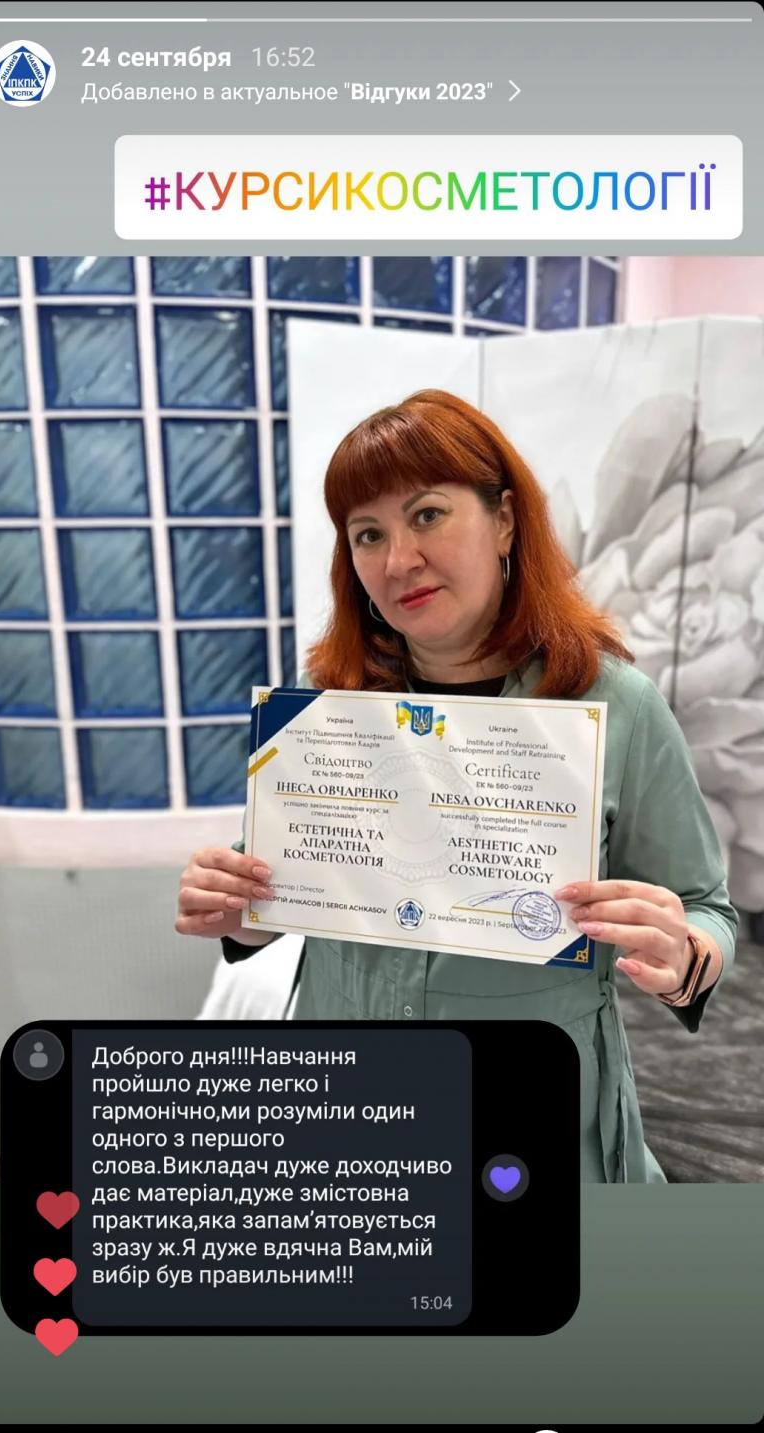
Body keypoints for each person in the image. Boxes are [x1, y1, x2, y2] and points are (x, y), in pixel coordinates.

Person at [176, 388, 738, 1184]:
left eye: (428, 515)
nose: (398, 560)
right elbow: (280, 885)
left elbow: (707, 907)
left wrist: (686, 952)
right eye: (368, 533)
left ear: (504, 521)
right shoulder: (324, 710)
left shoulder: (617, 707)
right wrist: (237, 909)